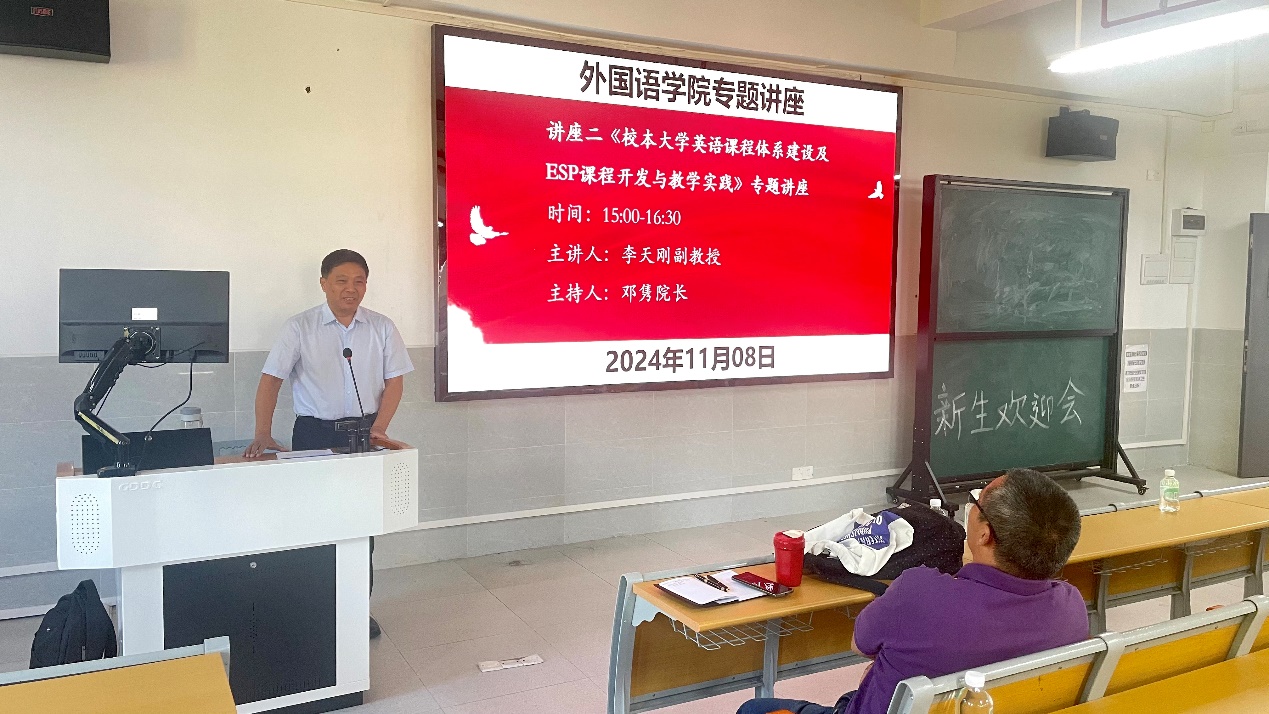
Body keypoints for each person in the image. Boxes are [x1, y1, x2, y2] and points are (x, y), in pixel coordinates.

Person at [737, 468, 1088, 714]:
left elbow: (860, 644)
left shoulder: (920, 592)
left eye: (977, 502)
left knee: (754, 708)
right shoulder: (1071, 608)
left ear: (985, 535)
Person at [245, 248, 414, 640]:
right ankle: (313, 608)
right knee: (313, 522)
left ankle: (356, 610)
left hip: (364, 435)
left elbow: (395, 381)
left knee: (362, 526)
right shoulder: (299, 327)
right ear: (323, 283)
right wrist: (262, 432)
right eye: (341, 281)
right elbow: (271, 380)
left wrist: (380, 428)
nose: (350, 289)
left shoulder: (381, 327)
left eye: (359, 281)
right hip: (314, 434)